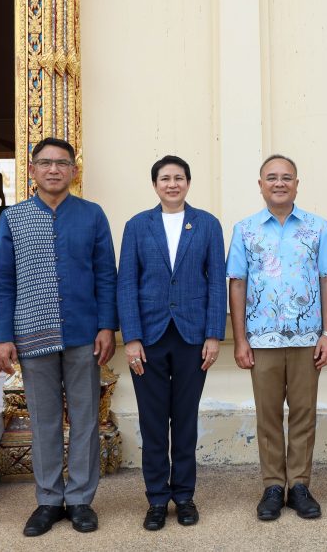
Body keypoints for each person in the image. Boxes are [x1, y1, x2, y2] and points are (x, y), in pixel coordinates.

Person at [0, 137, 118, 536]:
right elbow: (2, 281)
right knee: (43, 420)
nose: (54, 169)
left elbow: (105, 275)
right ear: (32, 170)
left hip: (84, 334)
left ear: (74, 171)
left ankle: (79, 499)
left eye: (62, 163)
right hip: (32, 333)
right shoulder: (13, 218)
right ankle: (47, 500)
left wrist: (107, 326)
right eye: (45, 163)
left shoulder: (92, 215)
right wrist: (1, 336)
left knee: (85, 419)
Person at [226, 154, 327, 521]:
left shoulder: (317, 227)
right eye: (272, 177)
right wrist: (240, 340)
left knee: (305, 413)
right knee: (268, 416)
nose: (279, 183)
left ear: (296, 184)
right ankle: (274, 486)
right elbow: (237, 283)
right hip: (261, 341)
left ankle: (300, 485)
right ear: (261, 184)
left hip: (308, 338)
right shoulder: (245, 229)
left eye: (286, 177)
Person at [117, 155, 227, 530]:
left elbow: (217, 282)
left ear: (188, 183)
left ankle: (184, 496)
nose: (172, 184)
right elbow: (126, 283)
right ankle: (156, 499)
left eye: (179, 178)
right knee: (152, 423)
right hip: (148, 339)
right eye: (165, 178)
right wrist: (131, 339)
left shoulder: (207, 224)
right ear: (155, 185)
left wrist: (214, 335)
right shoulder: (137, 225)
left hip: (192, 338)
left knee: (184, 421)